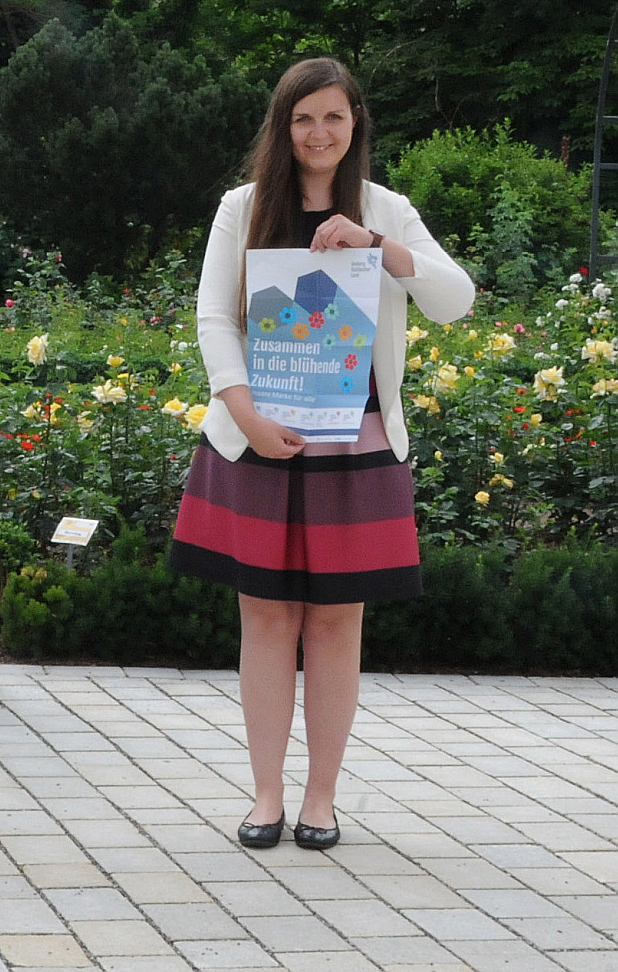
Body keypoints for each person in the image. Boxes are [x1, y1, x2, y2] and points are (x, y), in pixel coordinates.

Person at [168, 57, 472, 852]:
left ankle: (322, 799)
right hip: (259, 440)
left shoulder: (386, 209)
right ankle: (265, 794)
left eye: (334, 117)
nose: (319, 133)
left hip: (358, 444)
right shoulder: (243, 209)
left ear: (356, 124)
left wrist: (381, 247)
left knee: (337, 623)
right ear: (283, 126)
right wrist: (246, 412)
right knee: (266, 617)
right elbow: (213, 320)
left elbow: (456, 298)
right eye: (304, 118)